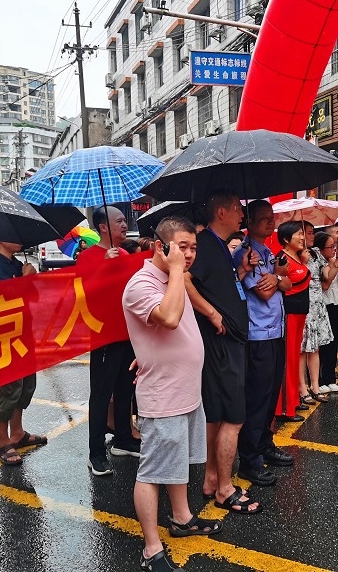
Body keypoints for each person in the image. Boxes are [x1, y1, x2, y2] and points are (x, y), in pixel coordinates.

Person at [123, 217, 222, 572]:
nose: (189, 254)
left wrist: (146, 352)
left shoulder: (171, 278)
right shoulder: (142, 284)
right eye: (182, 247)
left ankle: (182, 518)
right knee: (152, 471)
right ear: (160, 247)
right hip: (163, 397)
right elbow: (168, 317)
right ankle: (151, 549)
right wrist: (178, 270)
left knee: (176, 462)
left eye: (193, 247)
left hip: (185, 391)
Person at [184, 191, 261, 514]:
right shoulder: (204, 244)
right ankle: (225, 490)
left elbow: (217, 287)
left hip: (227, 343)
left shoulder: (218, 246)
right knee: (233, 418)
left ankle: (213, 480)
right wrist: (212, 313)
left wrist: (240, 271)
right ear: (220, 212)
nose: (242, 215)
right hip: (221, 344)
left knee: (217, 415)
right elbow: (185, 280)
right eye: (237, 209)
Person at [232, 200, 294, 487]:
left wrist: (277, 277)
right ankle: (250, 460)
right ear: (250, 222)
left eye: (272, 217)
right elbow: (265, 292)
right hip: (258, 335)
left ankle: (265, 445)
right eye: (264, 218)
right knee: (257, 399)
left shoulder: (268, 252)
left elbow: (287, 285)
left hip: (276, 331)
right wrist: (279, 278)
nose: (271, 222)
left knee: (270, 396)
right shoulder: (246, 253)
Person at [78, 205, 140, 475]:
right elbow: (84, 293)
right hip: (103, 335)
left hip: (127, 332)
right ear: (103, 227)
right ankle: (95, 452)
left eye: (125, 221)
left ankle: (123, 439)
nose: (125, 225)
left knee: (126, 389)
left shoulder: (125, 254)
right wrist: (105, 265)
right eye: (119, 221)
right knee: (102, 394)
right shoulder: (87, 257)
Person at [0, 241, 46, 466]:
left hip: (22, 331)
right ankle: (3, 443)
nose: (19, 239)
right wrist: (26, 278)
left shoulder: (16, 264)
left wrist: (29, 278)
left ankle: (17, 433)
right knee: (6, 388)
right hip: (2, 335)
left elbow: (32, 297)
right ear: (1, 238)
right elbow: (8, 298)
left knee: (25, 385)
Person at [275, 221, 311, 419]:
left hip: (300, 313)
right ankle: (284, 408)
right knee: (288, 360)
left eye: (303, 233)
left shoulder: (297, 257)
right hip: (289, 314)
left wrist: (303, 263)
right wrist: (304, 265)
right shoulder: (281, 259)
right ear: (286, 239)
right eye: (298, 234)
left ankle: (293, 401)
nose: (302, 237)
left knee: (295, 358)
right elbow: (286, 286)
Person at [300, 224, 338, 404]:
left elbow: (327, 278)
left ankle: (315, 386)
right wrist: (302, 263)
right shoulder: (296, 255)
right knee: (302, 349)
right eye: (307, 233)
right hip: (303, 304)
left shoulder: (316, 254)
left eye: (311, 233)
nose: (311, 236)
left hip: (318, 305)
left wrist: (336, 262)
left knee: (315, 348)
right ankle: (302, 387)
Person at [316, 227, 338, 393]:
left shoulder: (333, 259)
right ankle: (319, 379)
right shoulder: (317, 262)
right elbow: (326, 284)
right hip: (322, 305)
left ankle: (329, 377)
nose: (334, 248)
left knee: (333, 342)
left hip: (336, 302)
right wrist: (336, 262)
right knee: (322, 344)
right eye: (330, 246)